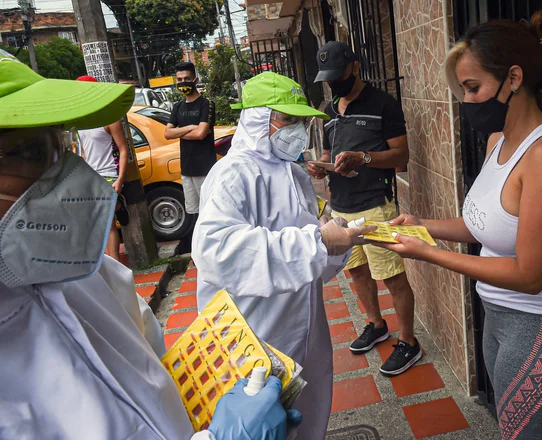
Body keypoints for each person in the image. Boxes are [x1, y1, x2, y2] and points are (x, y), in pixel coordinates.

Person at [0, 48, 298, 440]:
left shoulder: (89, 272)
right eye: (31, 153)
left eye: (59, 147)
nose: (67, 175)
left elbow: (155, 368)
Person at [377, 13, 542, 440]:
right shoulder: (498, 141)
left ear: (513, 78)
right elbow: (483, 226)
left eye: (472, 87)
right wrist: (423, 226)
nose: (466, 101)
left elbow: (529, 275)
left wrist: (427, 253)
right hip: (499, 318)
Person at [192, 71, 376, 440]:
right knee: (262, 422)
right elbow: (216, 250)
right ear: (258, 120)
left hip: (304, 324)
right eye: (287, 120)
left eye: (300, 121)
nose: (296, 130)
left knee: (307, 415)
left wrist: (340, 238)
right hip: (253, 333)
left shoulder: (294, 174)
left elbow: (309, 251)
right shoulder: (233, 175)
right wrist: (318, 241)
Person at [309, 41, 421, 376]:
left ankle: (409, 341)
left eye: (338, 75)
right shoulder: (330, 111)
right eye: (328, 77)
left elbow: (401, 157)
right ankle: (376, 324)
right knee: (356, 271)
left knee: (391, 275)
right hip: (340, 207)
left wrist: (365, 159)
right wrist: (321, 166)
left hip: (375, 205)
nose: (334, 83)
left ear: (355, 67)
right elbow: (330, 154)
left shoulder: (383, 104)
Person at [165, 61, 216, 253]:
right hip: (187, 170)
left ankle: (213, 249)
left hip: (205, 169)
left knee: (210, 211)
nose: (183, 82)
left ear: (195, 79)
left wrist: (179, 131)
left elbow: (201, 134)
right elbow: (167, 134)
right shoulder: (177, 107)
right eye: (179, 80)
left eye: (187, 78)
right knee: (193, 213)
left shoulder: (206, 104)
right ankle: (199, 251)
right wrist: (189, 128)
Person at [76, 74, 129, 262]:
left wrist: (120, 179)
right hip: (89, 177)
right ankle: (104, 263)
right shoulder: (79, 120)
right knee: (96, 225)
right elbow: (83, 152)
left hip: (108, 176)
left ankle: (115, 264)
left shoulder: (109, 119)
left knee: (108, 225)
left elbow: (123, 149)